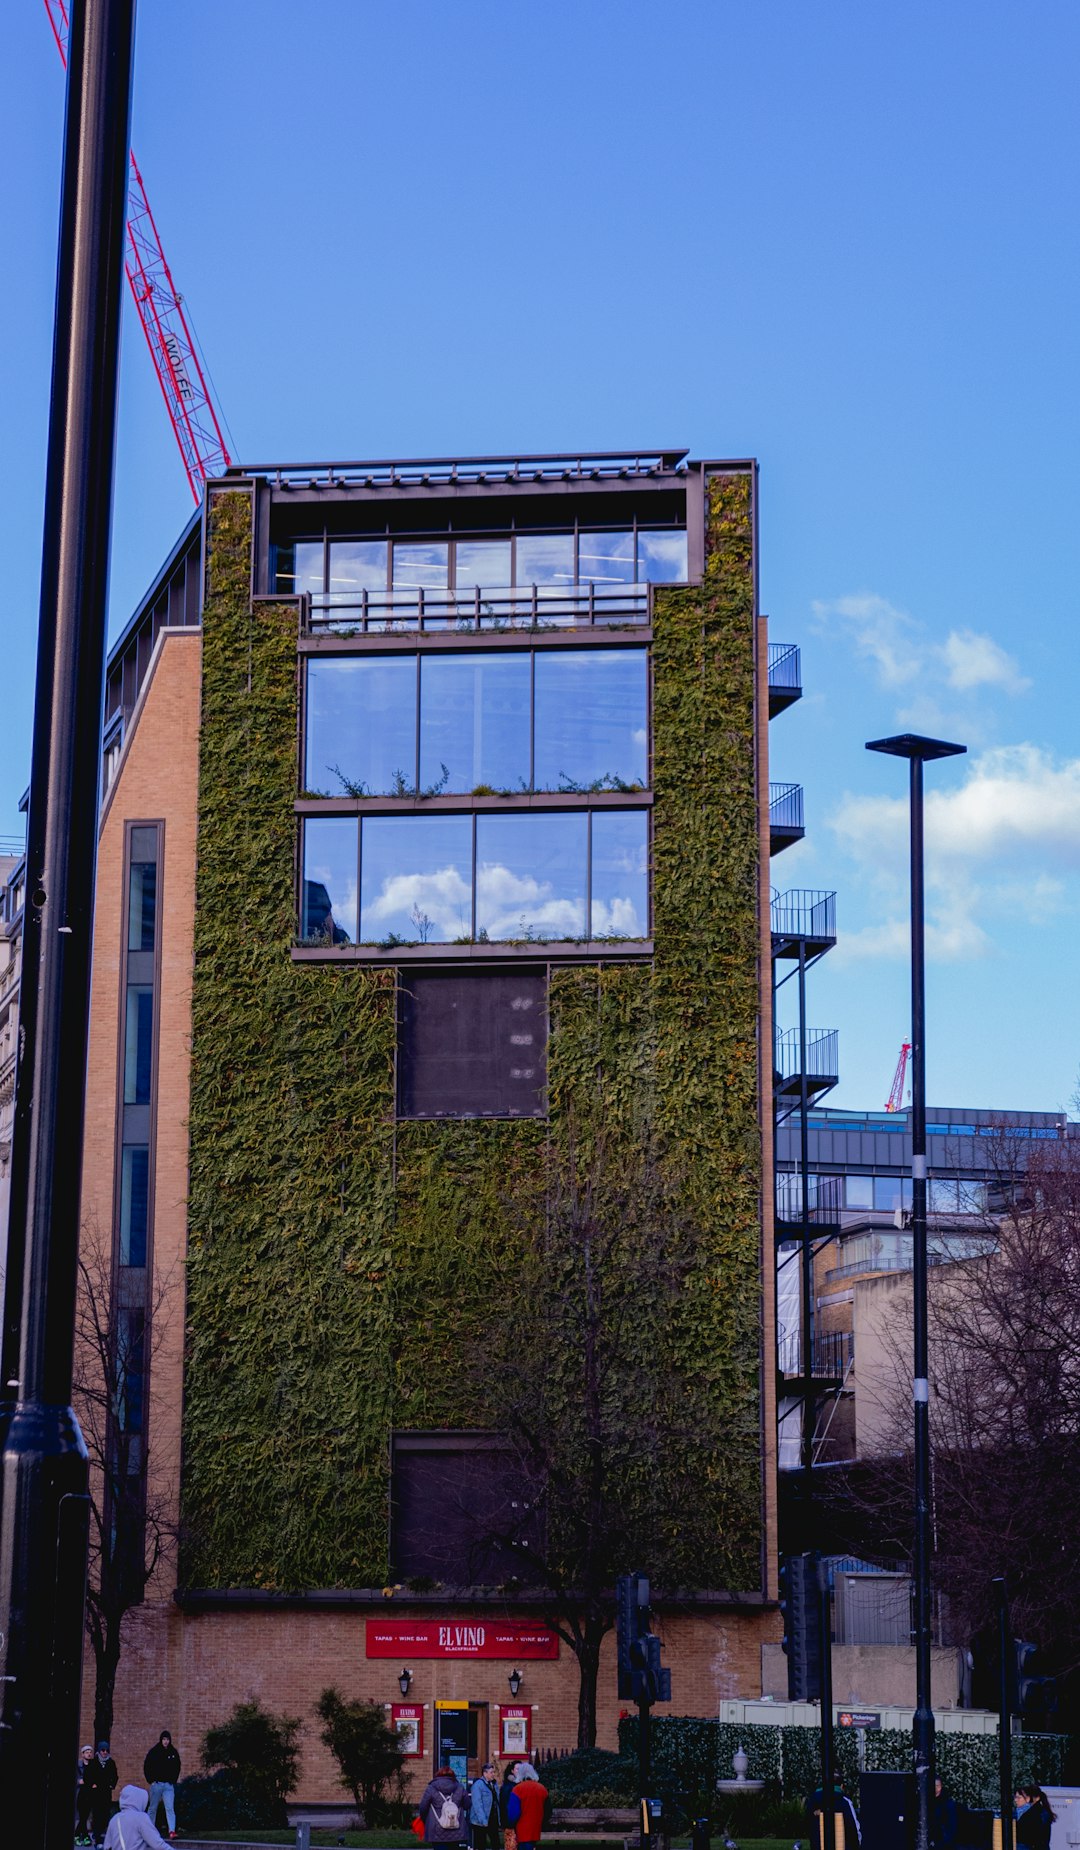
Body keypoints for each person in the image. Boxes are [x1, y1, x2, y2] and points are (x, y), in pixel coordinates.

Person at [103, 1785, 171, 1850]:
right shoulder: (141, 1818)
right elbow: (157, 1843)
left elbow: (107, 1846)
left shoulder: (114, 1819)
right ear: (139, 1800)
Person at [144, 1730, 182, 1839]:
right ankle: (150, 1831)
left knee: (170, 1808)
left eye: (167, 1740)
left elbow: (177, 1766)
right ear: (161, 1740)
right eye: (164, 1739)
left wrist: (173, 1780)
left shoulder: (173, 1752)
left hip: (168, 1786)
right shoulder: (154, 1752)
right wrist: (150, 1779)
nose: (166, 1742)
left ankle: (172, 1831)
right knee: (152, 1808)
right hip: (156, 1784)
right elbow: (147, 1765)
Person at [419, 1765, 468, 1846]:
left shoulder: (431, 1788)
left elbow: (423, 1807)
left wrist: (425, 1820)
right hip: (456, 1827)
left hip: (436, 1829)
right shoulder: (460, 1787)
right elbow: (467, 1805)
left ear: (438, 1775)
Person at [805, 1779, 861, 1849]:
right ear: (841, 1786)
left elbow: (807, 1825)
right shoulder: (844, 1801)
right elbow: (853, 1828)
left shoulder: (812, 1800)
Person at [83, 1741, 119, 1846]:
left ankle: (99, 1833)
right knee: (97, 1814)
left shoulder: (111, 1763)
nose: (105, 1752)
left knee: (105, 1815)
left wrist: (112, 1785)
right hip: (96, 1793)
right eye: (103, 1750)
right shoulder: (93, 1762)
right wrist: (92, 1785)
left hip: (106, 1793)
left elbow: (115, 1776)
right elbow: (87, 1776)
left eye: (107, 1750)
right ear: (99, 1750)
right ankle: (97, 1836)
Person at [511, 1764, 549, 1850]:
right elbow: (547, 1810)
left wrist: (511, 1824)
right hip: (536, 1826)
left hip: (522, 1828)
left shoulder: (517, 1789)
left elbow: (514, 1813)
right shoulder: (542, 1788)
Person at [469, 1761, 501, 1850]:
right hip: (480, 1821)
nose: (493, 1774)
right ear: (485, 1773)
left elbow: (496, 1801)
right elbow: (477, 1804)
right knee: (480, 1845)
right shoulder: (478, 1785)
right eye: (491, 1772)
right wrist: (483, 1821)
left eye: (494, 1772)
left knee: (496, 1843)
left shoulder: (494, 1784)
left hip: (492, 1819)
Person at [1015, 1783, 1055, 1850]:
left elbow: (1040, 1840)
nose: (1016, 1800)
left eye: (1019, 1797)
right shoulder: (1021, 1813)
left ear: (1036, 1798)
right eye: (1015, 1797)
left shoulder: (1038, 1813)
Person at [76, 1745, 95, 1844]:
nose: (89, 1754)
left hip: (89, 1794)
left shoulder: (93, 1766)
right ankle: (84, 1836)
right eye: (87, 1752)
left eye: (90, 1752)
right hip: (80, 1794)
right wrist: (78, 1781)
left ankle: (79, 1835)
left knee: (85, 1816)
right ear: (82, 1754)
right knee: (83, 1816)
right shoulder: (78, 1766)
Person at [933, 1776, 959, 1846]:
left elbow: (951, 1824)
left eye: (937, 1786)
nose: (935, 1788)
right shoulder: (926, 1802)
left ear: (941, 1786)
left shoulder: (948, 1804)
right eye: (933, 1786)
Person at [498, 1763, 518, 1850]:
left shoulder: (517, 1784)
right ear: (512, 1771)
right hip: (510, 1824)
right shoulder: (509, 1786)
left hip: (517, 1823)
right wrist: (510, 1823)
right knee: (511, 1846)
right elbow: (505, 1806)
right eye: (517, 1769)